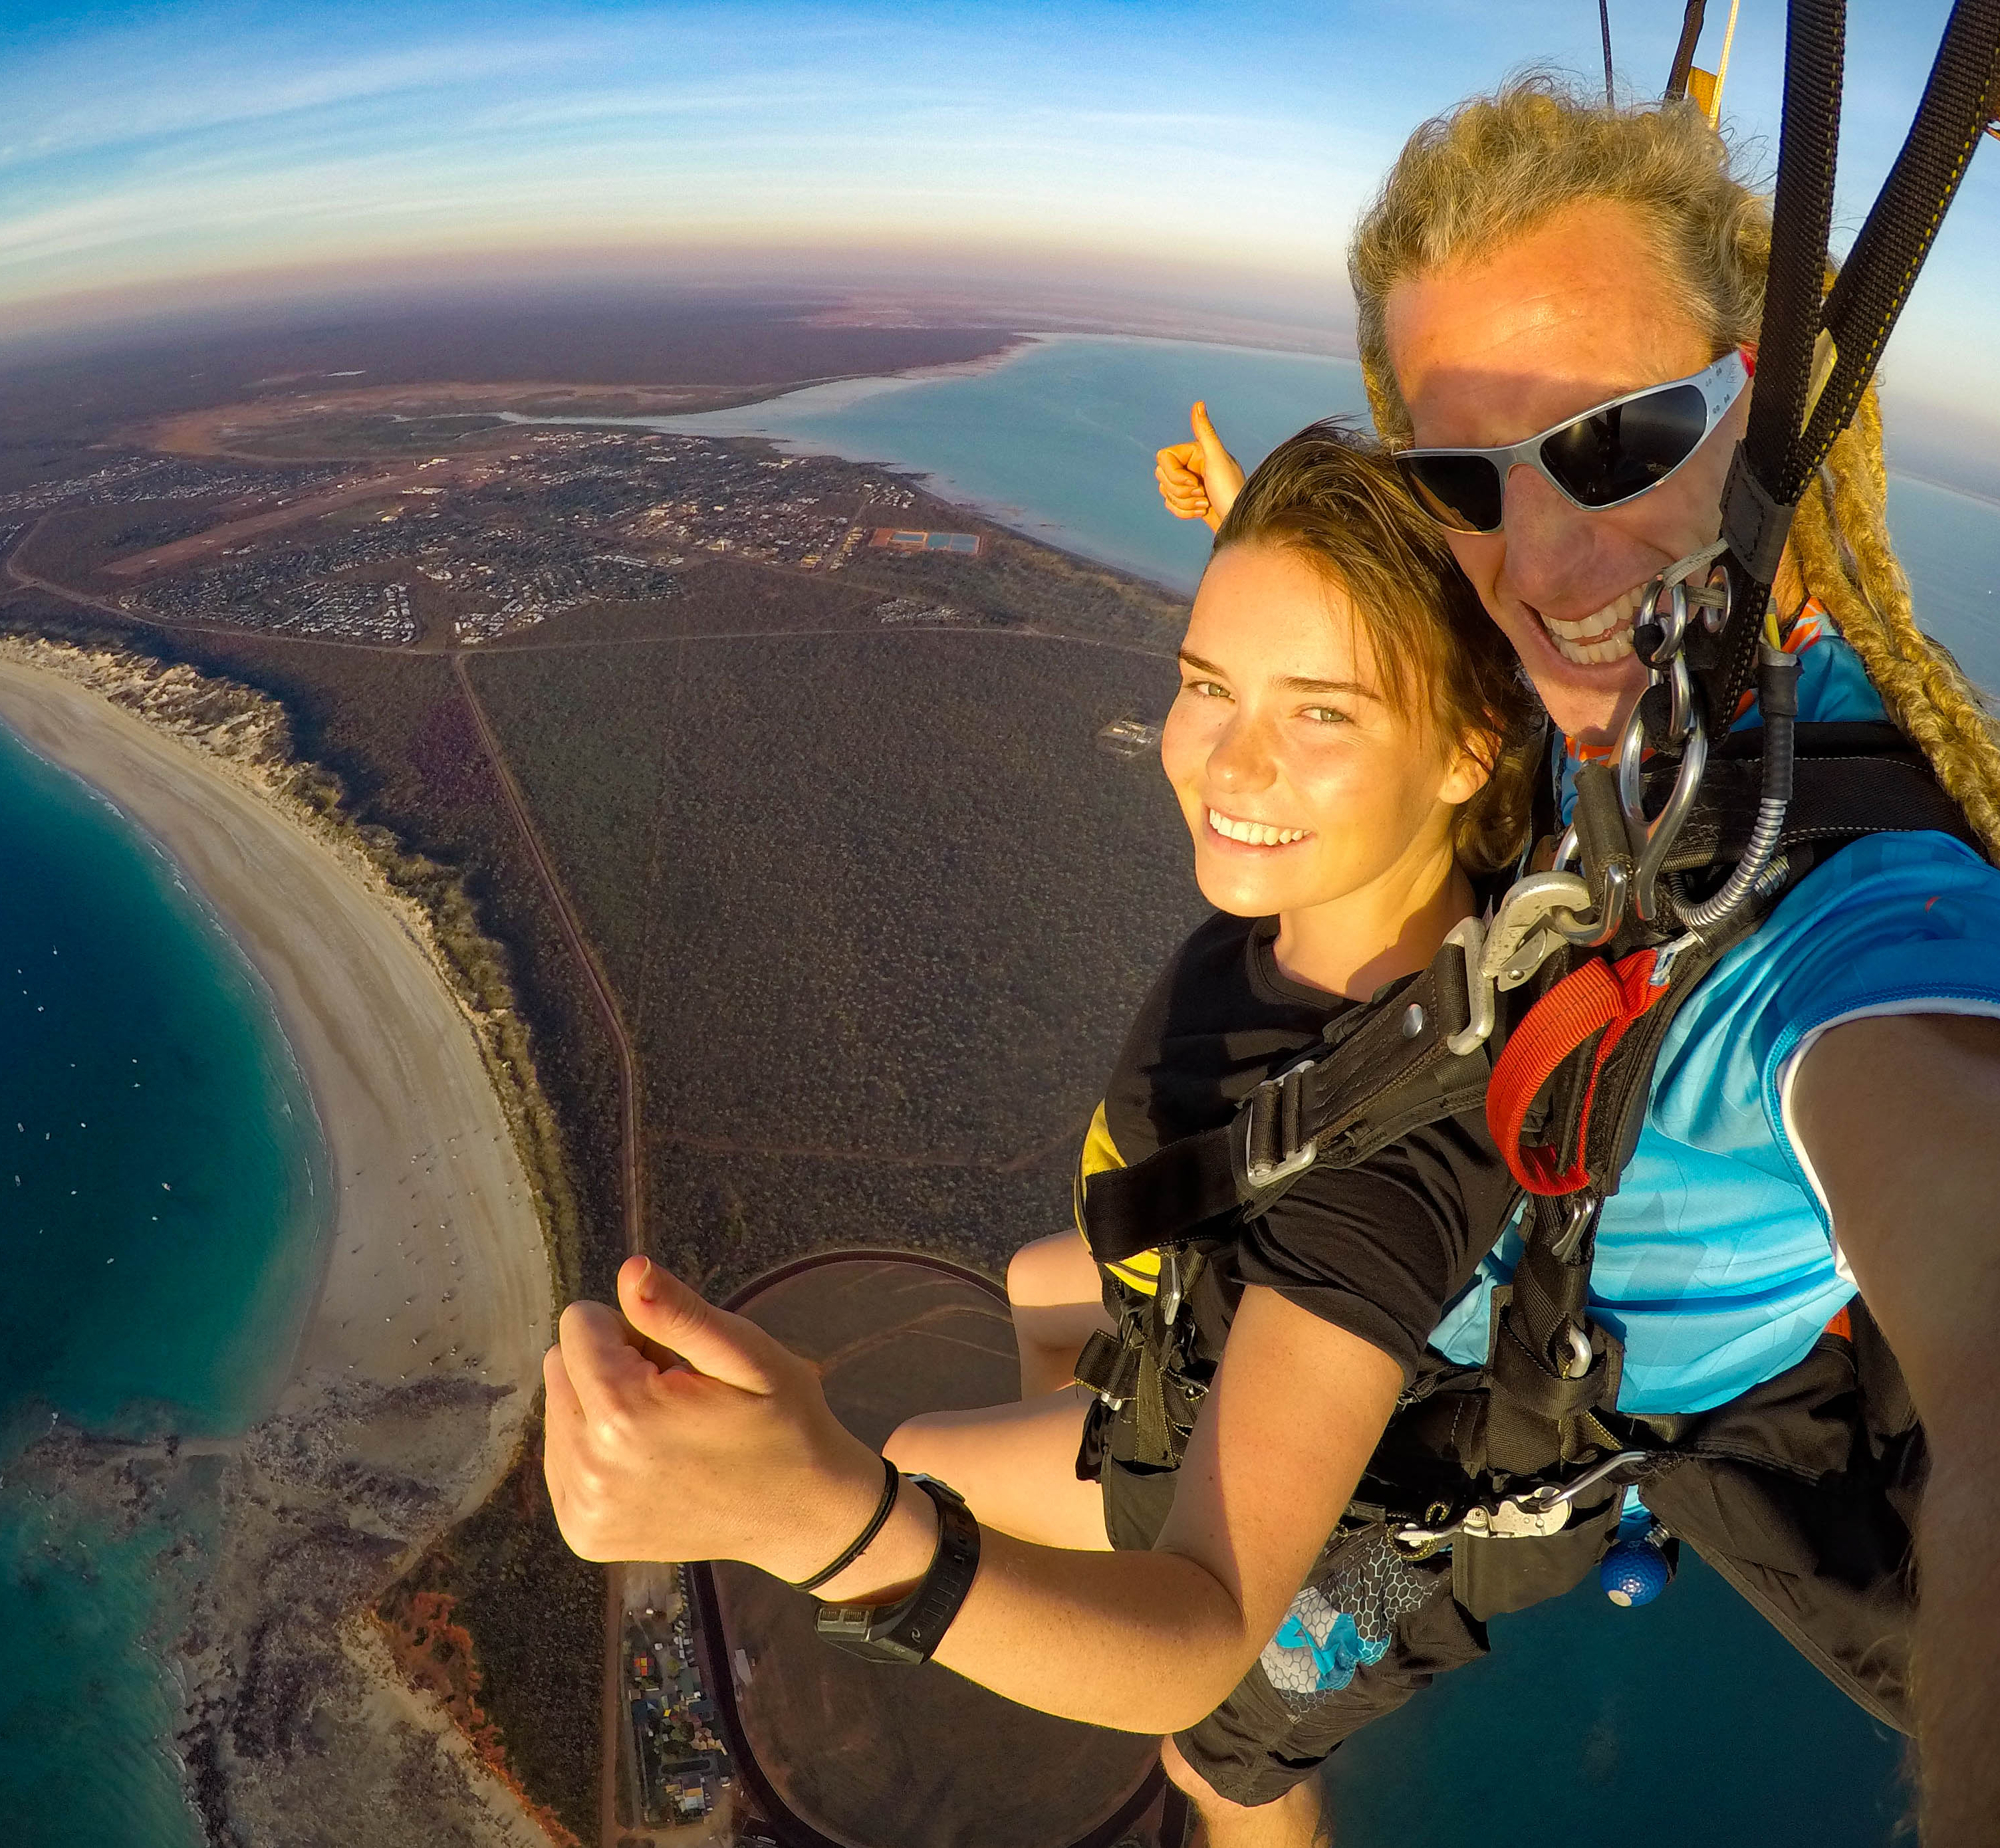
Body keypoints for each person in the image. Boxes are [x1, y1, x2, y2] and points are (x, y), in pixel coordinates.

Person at [1143, 76, 2000, 1848]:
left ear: (1769, 421)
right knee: (1078, 1310)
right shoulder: (1615, 673)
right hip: (1518, 1275)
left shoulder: (1848, 911)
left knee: (1215, 1739)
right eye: (1461, 475)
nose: (1544, 547)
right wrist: (1244, 516)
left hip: (1567, 1406)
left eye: (1616, 440)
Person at [543, 427, 1541, 1845]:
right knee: (1028, 1292)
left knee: (1212, 1747)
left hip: (1379, 1521)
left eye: (1318, 714)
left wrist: (816, 1521)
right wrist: (1251, 514)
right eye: (1207, 682)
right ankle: (1114, 1488)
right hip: (1198, 1336)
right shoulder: (1378, 907)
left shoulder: (1388, 1170)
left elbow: (1203, 1625)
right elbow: (1362, 668)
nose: (1229, 761)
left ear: (1463, 752)